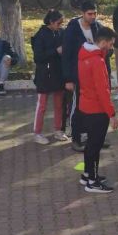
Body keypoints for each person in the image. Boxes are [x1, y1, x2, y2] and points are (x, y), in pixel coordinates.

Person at [78, 27, 118, 193]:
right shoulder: (97, 61)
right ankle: (93, 182)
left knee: (90, 144)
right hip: (97, 109)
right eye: (110, 44)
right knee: (95, 145)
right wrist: (112, 114)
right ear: (103, 42)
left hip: (85, 106)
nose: (111, 48)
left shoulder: (83, 55)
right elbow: (103, 91)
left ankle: (88, 174)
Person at [62, 1, 107, 152]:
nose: (93, 16)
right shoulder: (73, 29)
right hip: (78, 75)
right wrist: (68, 78)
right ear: (82, 13)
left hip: (95, 75)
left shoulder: (98, 27)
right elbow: (67, 55)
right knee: (77, 108)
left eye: (95, 13)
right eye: (90, 14)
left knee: (95, 108)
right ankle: (76, 138)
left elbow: (105, 47)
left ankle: (93, 137)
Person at [31, 10, 69, 145]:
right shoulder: (40, 35)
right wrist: (55, 51)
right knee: (42, 105)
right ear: (51, 22)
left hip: (58, 73)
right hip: (44, 74)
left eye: (62, 23)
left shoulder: (62, 32)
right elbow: (38, 57)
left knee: (59, 104)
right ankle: (37, 132)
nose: (61, 25)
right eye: (58, 23)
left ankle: (58, 130)